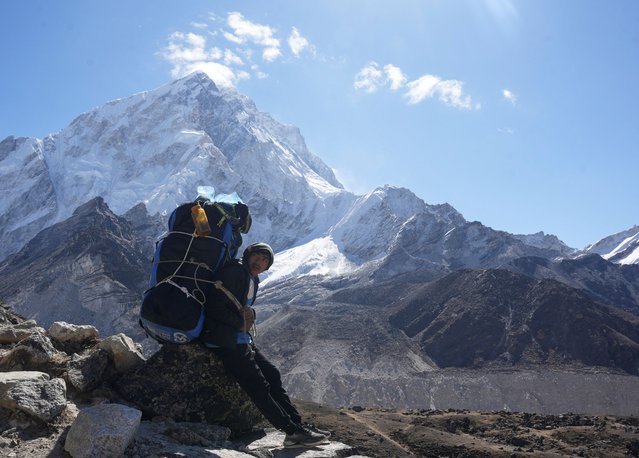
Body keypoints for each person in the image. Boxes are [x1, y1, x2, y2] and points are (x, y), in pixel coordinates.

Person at [199, 242, 330, 448]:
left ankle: (298, 424)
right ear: (248, 255)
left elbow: (241, 307)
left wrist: (249, 317)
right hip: (223, 340)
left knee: (272, 373)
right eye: (257, 257)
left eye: (264, 260)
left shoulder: (252, 278)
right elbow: (213, 305)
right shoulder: (235, 272)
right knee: (258, 385)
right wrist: (239, 323)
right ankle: (292, 432)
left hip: (238, 338)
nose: (259, 262)